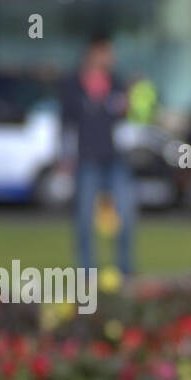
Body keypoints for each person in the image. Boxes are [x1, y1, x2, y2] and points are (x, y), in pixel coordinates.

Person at [60, 33, 136, 275]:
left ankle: (125, 267)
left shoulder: (117, 82)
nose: (112, 57)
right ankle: (85, 270)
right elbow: (65, 123)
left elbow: (126, 118)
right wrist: (65, 156)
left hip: (115, 159)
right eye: (107, 52)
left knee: (125, 214)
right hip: (86, 160)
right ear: (93, 53)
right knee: (84, 218)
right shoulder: (74, 83)